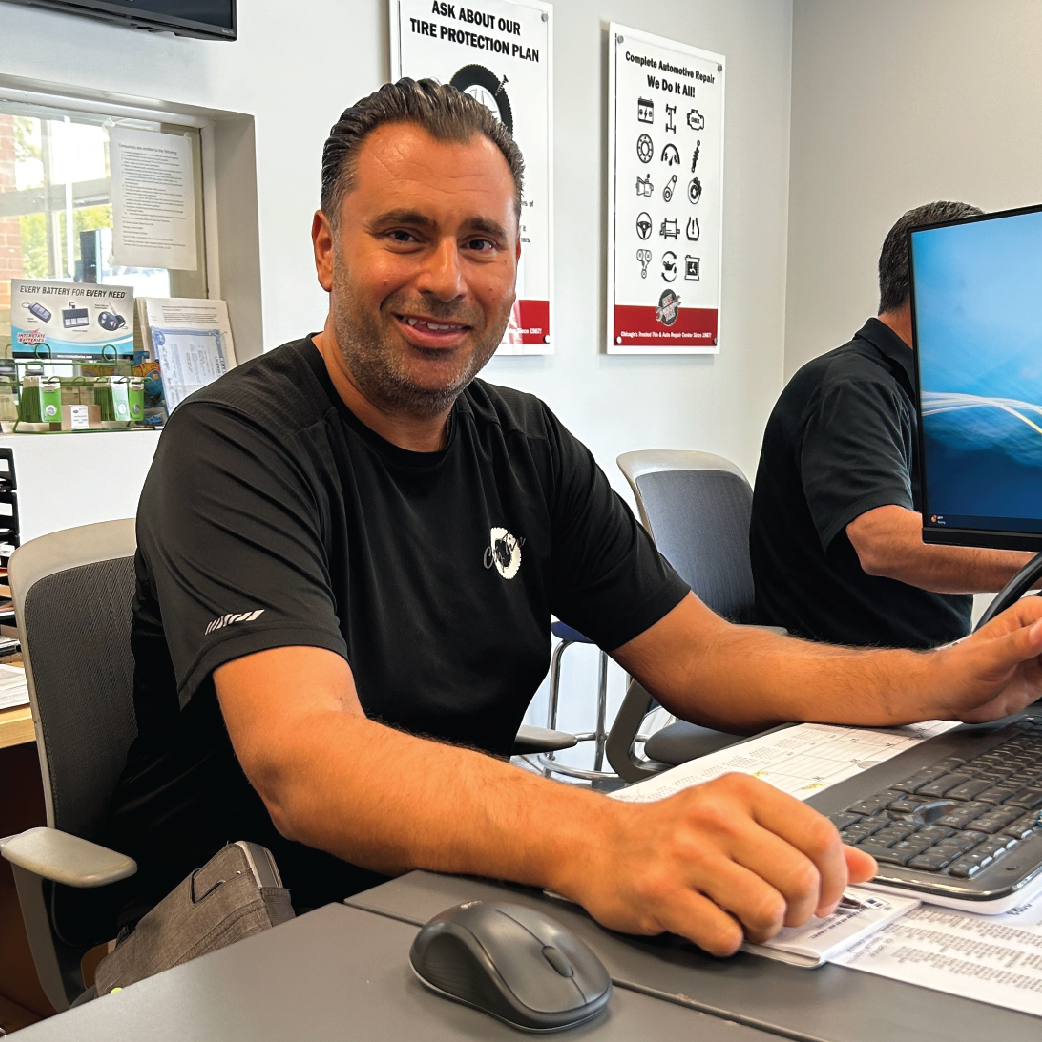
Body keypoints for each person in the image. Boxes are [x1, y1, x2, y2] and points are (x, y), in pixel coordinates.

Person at [107, 86, 1042, 960]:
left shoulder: (524, 442)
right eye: (403, 233)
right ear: (325, 247)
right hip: (244, 925)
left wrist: (946, 679)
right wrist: (604, 835)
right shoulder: (233, 442)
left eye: (481, 241)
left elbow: (705, 659)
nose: (446, 278)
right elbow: (307, 767)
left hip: (445, 897)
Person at [750, 201, 1036, 649]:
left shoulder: (936, 395)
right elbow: (883, 542)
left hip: (928, 663)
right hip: (852, 673)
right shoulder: (851, 388)